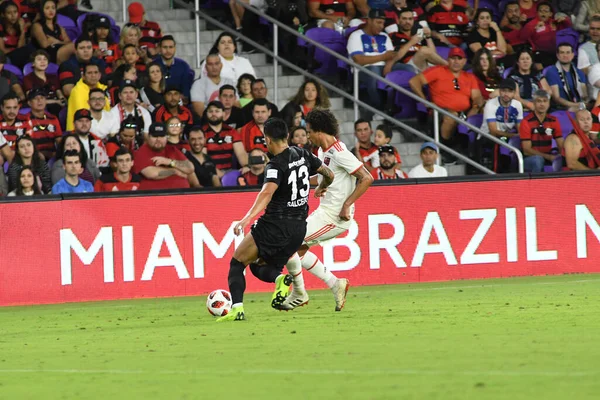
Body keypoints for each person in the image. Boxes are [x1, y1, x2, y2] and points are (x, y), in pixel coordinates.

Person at [216, 117, 335, 322]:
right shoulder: (304, 153)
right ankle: (281, 279)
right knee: (259, 267)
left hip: (274, 224)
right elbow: (329, 173)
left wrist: (245, 220)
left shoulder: (275, 165)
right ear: (287, 136)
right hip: (298, 228)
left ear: (267, 139)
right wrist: (323, 186)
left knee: (237, 263)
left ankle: (237, 309)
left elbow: (266, 194)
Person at [274, 109, 373, 311]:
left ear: (320, 131)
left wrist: (347, 204)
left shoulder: (340, 153)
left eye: (309, 131)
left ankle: (299, 294)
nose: (308, 135)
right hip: (324, 211)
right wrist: (321, 185)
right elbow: (331, 175)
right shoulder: (323, 151)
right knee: (298, 250)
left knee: (288, 242)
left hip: (335, 217)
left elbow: (367, 178)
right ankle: (335, 284)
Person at [409, 48, 483, 161]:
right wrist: (424, 100)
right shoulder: (438, 70)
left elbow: (477, 97)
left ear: (464, 61)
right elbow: (414, 81)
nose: (456, 62)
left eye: (459, 59)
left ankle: (477, 153)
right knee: (451, 116)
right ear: (448, 60)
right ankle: (446, 147)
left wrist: (475, 107)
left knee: (484, 111)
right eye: (453, 58)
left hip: (464, 112)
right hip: (440, 112)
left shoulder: (470, 77)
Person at [347, 9, 395, 118]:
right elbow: (359, 60)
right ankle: (379, 109)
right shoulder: (356, 36)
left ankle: (397, 107)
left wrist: (389, 64)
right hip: (363, 70)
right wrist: (383, 57)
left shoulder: (384, 36)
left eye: (383, 23)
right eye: (378, 22)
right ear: (369, 21)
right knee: (374, 72)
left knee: (406, 69)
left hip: (384, 67)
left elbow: (391, 56)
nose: (381, 26)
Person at [479, 79, 523, 172]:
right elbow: (493, 131)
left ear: (514, 93)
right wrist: (514, 136)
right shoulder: (491, 104)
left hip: (508, 135)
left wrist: (519, 136)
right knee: (497, 144)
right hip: (488, 136)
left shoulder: (517, 105)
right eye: (504, 91)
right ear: (499, 91)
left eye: (510, 91)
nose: (506, 94)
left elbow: (520, 128)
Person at [385, 8, 446, 75]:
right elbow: (396, 57)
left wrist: (428, 37)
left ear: (413, 21)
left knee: (441, 70)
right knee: (423, 50)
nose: (407, 22)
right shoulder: (393, 36)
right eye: (404, 19)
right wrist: (411, 42)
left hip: (424, 63)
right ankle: (450, 66)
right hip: (408, 65)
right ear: (398, 20)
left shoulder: (418, 35)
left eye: (410, 19)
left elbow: (433, 53)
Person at [133, 122, 194, 190]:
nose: (158, 139)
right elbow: (152, 174)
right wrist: (174, 171)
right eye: (155, 136)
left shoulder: (172, 149)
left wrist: (170, 162)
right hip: (155, 196)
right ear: (148, 137)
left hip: (182, 194)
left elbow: (190, 167)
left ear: (166, 137)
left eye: (162, 136)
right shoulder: (141, 151)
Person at [519, 90, 564, 172]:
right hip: (529, 158)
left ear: (549, 103)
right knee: (538, 160)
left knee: (563, 159)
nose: (542, 104)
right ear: (533, 103)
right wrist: (548, 157)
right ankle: (537, 184)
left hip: (547, 155)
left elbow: (560, 143)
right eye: (539, 101)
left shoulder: (553, 120)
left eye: (545, 101)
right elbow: (526, 150)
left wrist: (562, 155)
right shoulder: (526, 122)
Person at [519, 2, 572, 67]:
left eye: (546, 11)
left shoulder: (555, 22)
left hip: (556, 52)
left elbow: (568, 27)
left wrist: (565, 20)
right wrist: (534, 28)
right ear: (537, 13)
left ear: (550, 14)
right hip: (540, 53)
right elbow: (522, 37)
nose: (543, 13)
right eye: (541, 11)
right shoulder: (531, 24)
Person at [202, 100, 247, 170]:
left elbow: (241, 153)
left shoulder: (231, 131)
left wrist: (246, 166)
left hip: (229, 173)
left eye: (217, 111)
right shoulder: (201, 132)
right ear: (206, 114)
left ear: (223, 114)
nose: (213, 114)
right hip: (209, 172)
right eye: (210, 111)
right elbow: (203, 158)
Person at [191, 53, 236, 118]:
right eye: (210, 64)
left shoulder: (229, 82)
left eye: (216, 64)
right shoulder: (198, 84)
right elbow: (200, 112)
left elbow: (236, 105)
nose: (214, 67)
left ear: (221, 65)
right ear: (206, 67)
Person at [545, 43, 588, 112]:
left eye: (568, 52)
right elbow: (556, 98)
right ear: (557, 55)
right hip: (560, 108)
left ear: (573, 55)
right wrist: (575, 105)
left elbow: (584, 94)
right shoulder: (551, 72)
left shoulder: (579, 72)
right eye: (562, 53)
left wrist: (583, 103)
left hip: (579, 106)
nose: (565, 55)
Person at [66, 63, 109, 131]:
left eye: (95, 72)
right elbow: (83, 116)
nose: (93, 75)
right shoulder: (77, 91)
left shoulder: (103, 89)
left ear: (99, 75)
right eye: (89, 73)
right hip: (81, 131)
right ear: (83, 76)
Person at [23, 50, 66, 116]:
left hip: (56, 105)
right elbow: (31, 98)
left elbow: (59, 93)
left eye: (45, 59)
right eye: (39, 59)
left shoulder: (53, 77)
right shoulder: (28, 78)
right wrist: (56, 102)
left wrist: (62, 100)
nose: (42, 62)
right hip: (39, 105)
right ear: (33, 63)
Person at [29, 0, 73, 65]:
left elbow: (69, 43)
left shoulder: (59, 27)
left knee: (76, 46)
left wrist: (57, 41)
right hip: (46, 55)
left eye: (53, 8)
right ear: (42, 10)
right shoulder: (37, 26)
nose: (51, 10)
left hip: (59, 51)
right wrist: (61, 43)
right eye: (47, 8)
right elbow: (44, 44)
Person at [25, 88, 62, 160]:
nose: (40, 101)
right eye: (36, 98)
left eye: (42, 98)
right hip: (33, 157)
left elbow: (59, 141)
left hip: (52, 156)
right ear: (29, 103)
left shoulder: (53, 119)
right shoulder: (25, 120)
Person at [154, 35, 192, 102]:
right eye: (165, 47)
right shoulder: (154, 65)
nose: (168, 50)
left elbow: (186, 90)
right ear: (160, 48)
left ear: (175, 48)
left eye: (171, 47)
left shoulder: (183, 65)